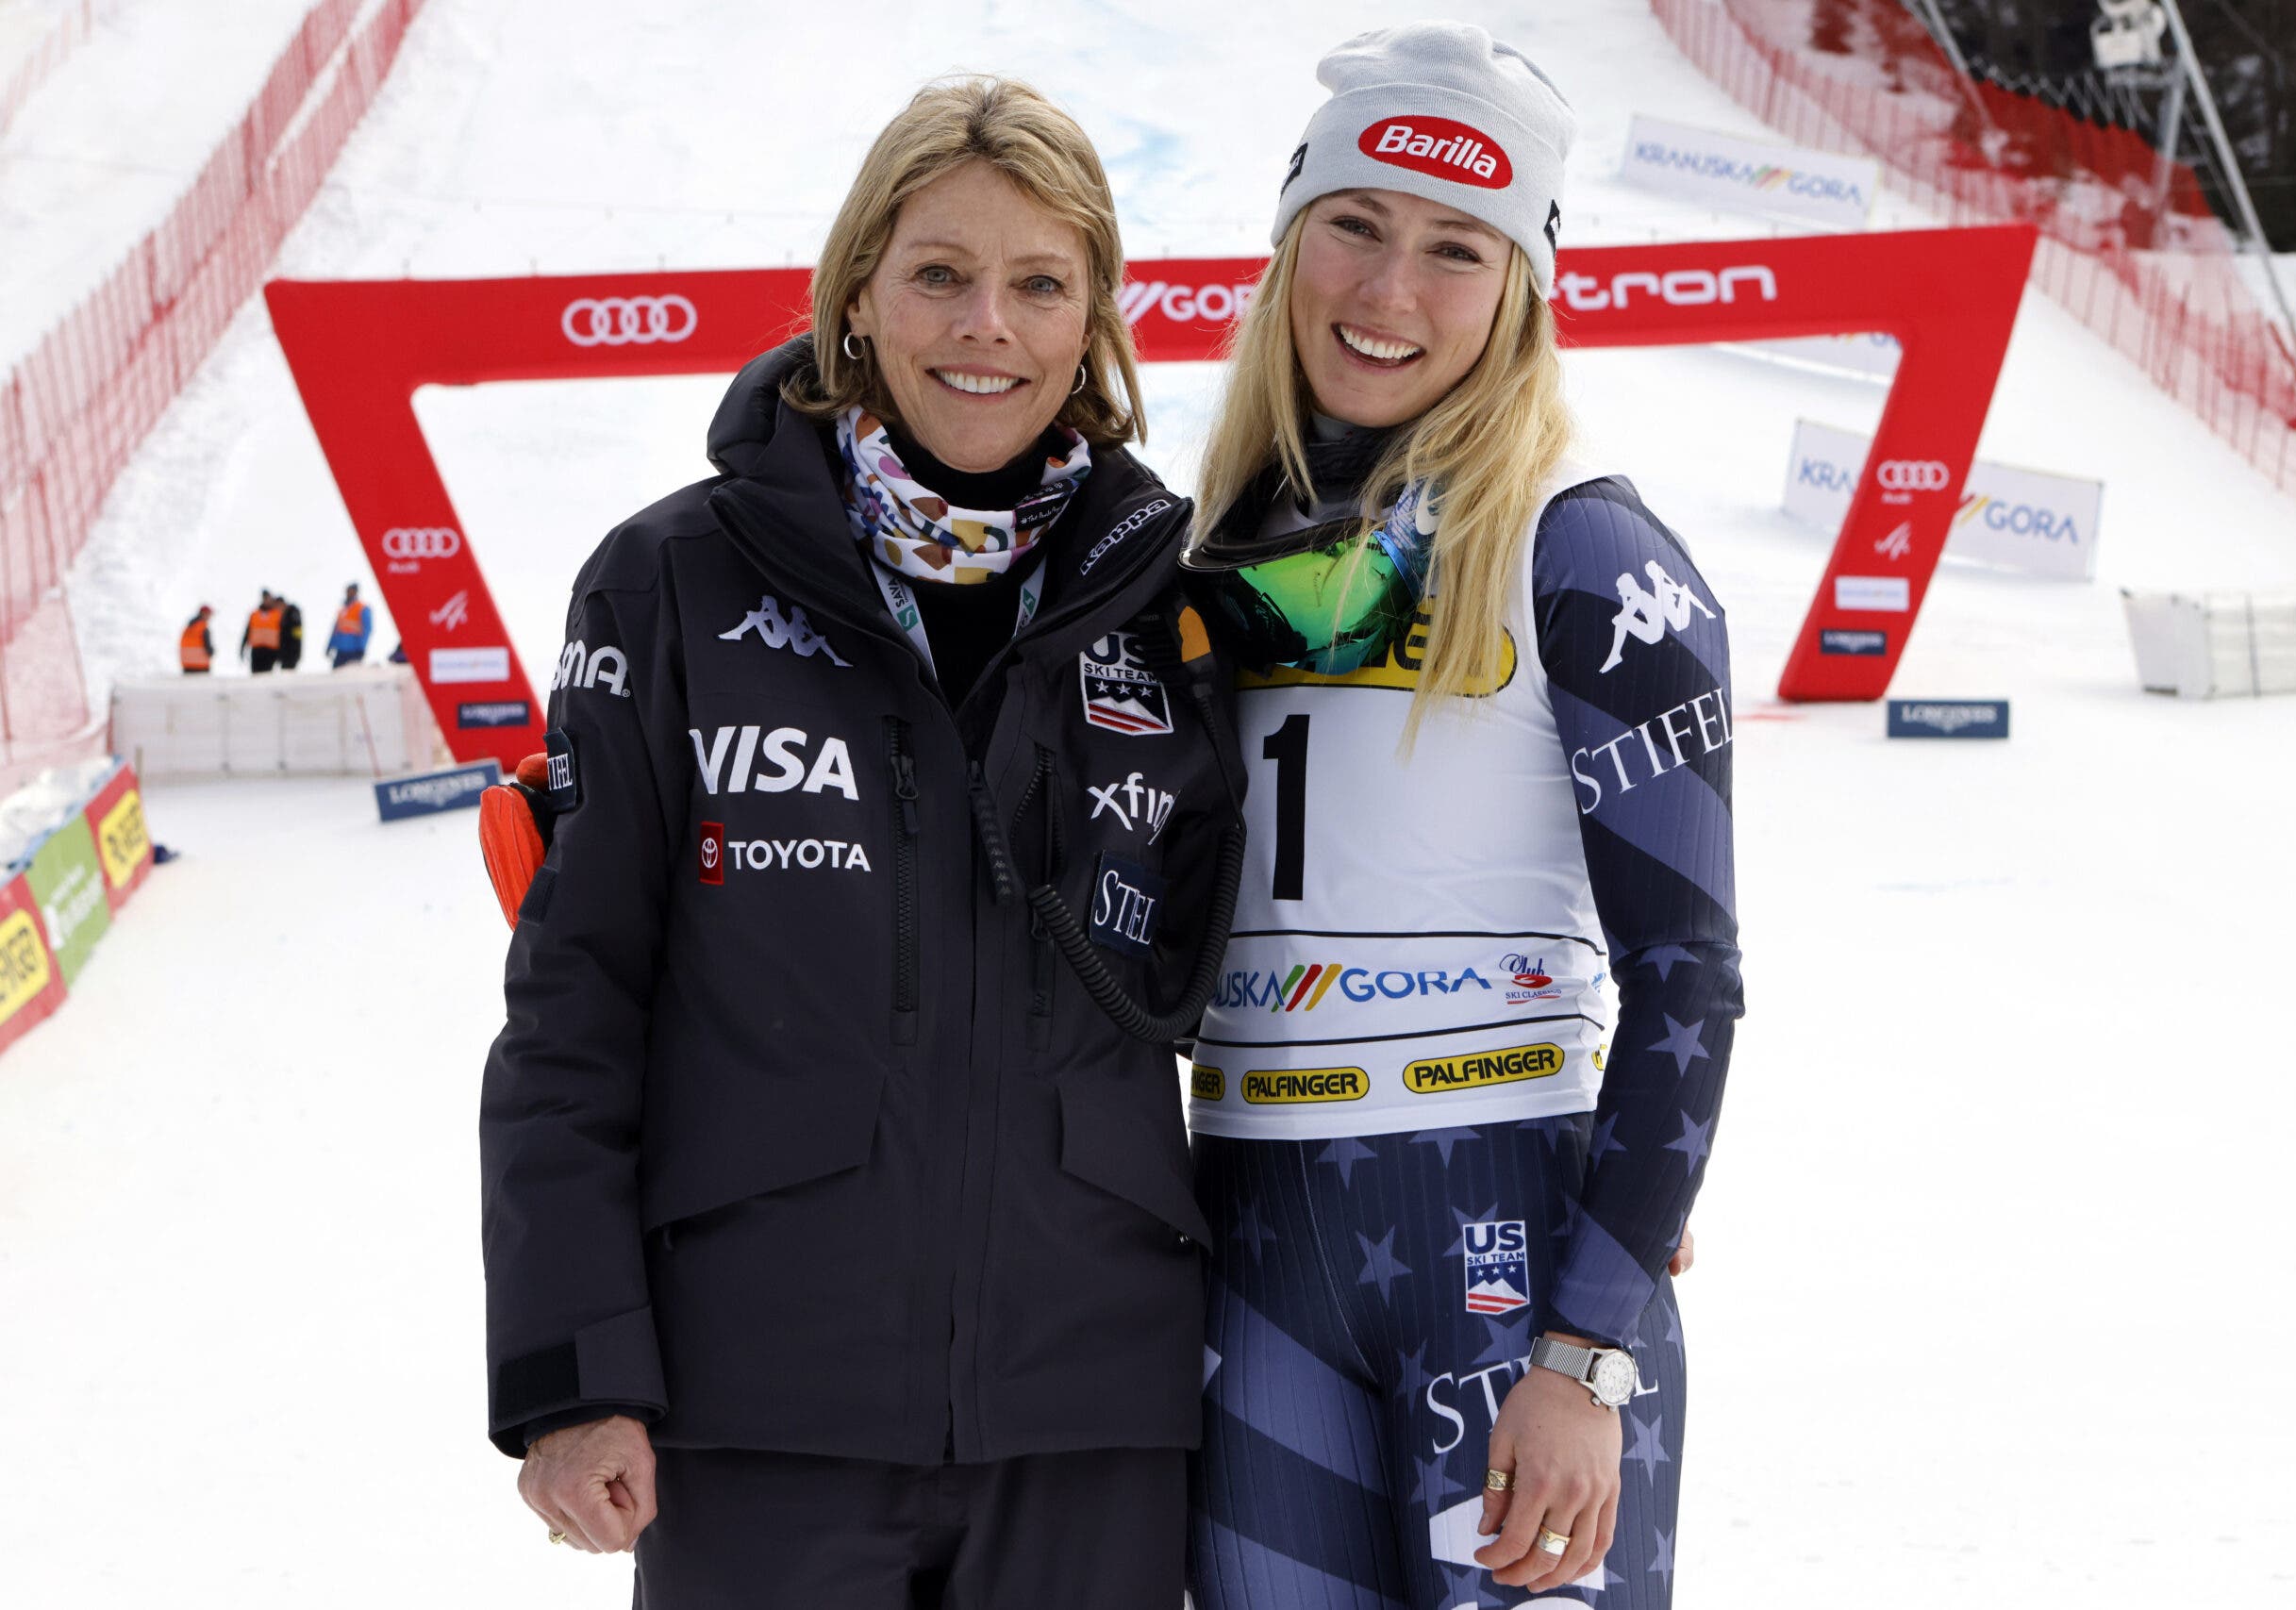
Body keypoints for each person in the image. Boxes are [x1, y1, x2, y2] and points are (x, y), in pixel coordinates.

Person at [479, 76, 1244, 1609]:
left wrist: (1539, 1114)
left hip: (1090, 1412)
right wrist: (572, 1372)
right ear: (859, 294)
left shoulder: (1181, 602)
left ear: (1095, 313)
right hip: (762, 1400)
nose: (989, 326)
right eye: (940, 274)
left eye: (1040, 283)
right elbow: (575, 1010)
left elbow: (1295, 938)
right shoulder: (671, 582)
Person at [1178, 25, 1743, 1608]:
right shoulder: (1202, 551)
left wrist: (1593, 1344)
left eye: (1453, 250)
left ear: (1523, 287)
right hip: (1254, 1236)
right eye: (1353, 225)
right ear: (1291, 240)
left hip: (1499, 1250)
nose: (1388, 291)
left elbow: (1689, 978)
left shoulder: (1586, 551)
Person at [325, 583, 372, 667]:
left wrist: (362, 647)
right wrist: (330, 646)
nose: (349, 593)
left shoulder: (362, 608)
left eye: (351, 591)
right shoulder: (343, 610)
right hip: (341, 650)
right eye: (348, 591)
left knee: (351, 675)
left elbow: (367, 629)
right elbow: (335, 630)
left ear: (356, 592)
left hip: (354, 650)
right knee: (336, 675)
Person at [244, 590, 281, 674]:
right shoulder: (254, 614)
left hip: (271, 651)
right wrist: (243, 647)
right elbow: (247, 632)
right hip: (257, 650)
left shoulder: (277, 615)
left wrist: (281, 652)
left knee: (267, 675)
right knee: (255, 674)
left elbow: (282, 635)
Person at [178, 605, 214, 674]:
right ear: (204, 614)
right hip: (201, 666)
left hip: (187, 665)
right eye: (209, 614)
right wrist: (211, 652)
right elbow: (208, 648)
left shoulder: (189, 627)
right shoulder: (203, 628)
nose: (210, 617)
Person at [277, 592, 304, 671]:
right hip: (285, 653)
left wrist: (296, 651)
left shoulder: (293, 614)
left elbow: (297, 635)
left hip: (292, 652)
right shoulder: (283, 616)